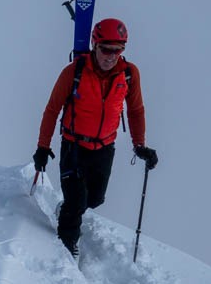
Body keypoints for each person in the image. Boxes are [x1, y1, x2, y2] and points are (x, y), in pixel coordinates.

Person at [33, 18, 158, 257]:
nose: (111, 56)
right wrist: (42, 147)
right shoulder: (74, 72)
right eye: (106, 49)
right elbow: (52, 109)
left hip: (104, 148)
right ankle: (67, 251)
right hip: (74, 146)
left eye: (117, 50)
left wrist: (139, 145)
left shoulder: (129, 74)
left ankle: (67, 209)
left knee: (94, 199)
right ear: (94, 44)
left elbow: (136, 110)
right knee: (76, 201)